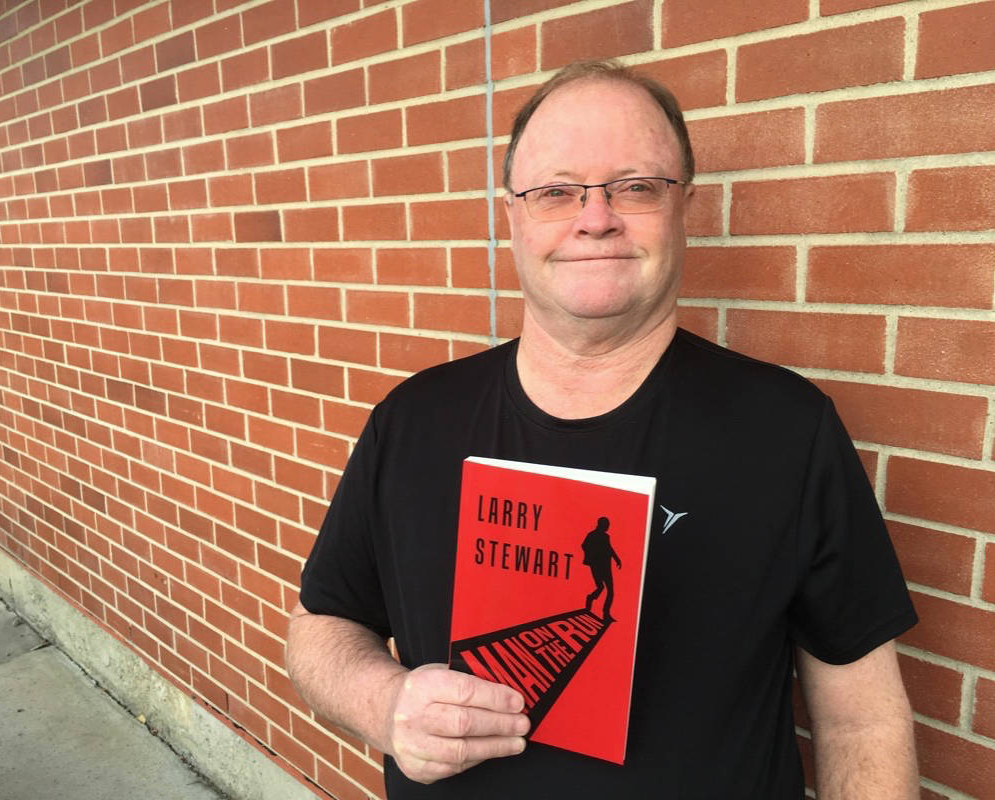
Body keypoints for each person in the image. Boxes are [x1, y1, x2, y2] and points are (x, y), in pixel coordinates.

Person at [286, 59, 919, 798]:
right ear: (511, 214)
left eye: (635, 186)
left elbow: (860, 721)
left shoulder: (786, 428)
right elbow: (321, 626)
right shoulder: (413, 418)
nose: (595, 217)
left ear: (685, 205)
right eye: (555, 191)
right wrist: (383, 704)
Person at [581, 516, 621, 622]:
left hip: (606, 566)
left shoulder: (606, 537)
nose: (608, 527)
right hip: (596, 566)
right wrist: (592, 556)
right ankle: (590, 598)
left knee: (610, 590)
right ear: (601, 525)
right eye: (606, 525)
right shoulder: (591, 535)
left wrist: (617, 559)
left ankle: (606, 613)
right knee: (600, 587)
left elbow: (609, 548)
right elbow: (584, 546)